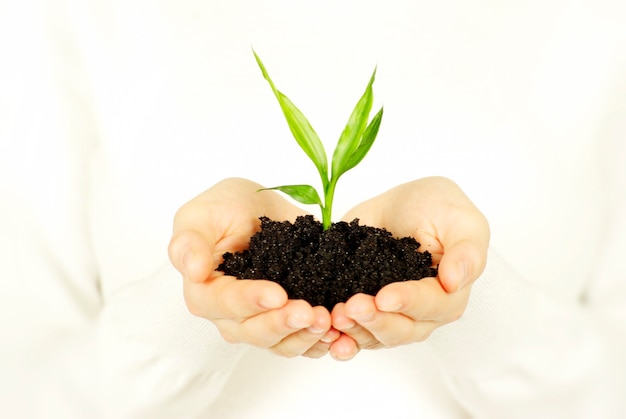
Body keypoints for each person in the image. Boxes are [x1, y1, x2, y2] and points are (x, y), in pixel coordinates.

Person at [1, 0, 625, 417]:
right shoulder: (69, 16)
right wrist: (190, 300)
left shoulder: (595, 23)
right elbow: (29, 394)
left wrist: (469, 289)